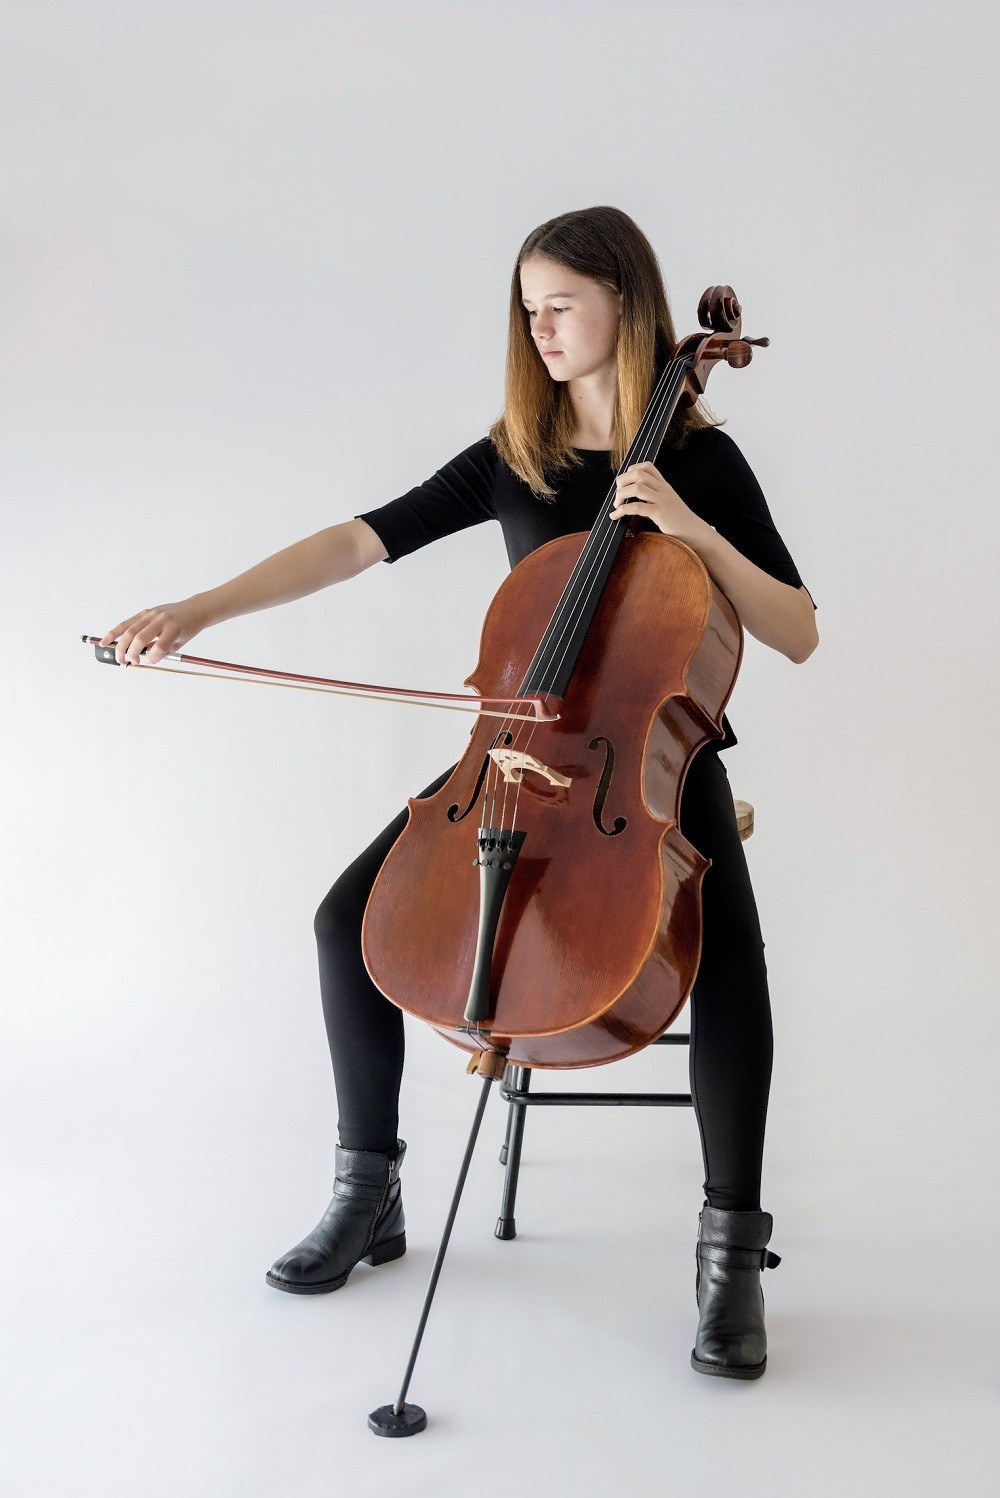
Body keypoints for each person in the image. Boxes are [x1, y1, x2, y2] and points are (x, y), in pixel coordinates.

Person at [101, 205, 818, 1381]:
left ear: (626, 307)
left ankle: (729, 1256)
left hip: (654, 760)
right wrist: (199, 609)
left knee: (730, 968)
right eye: (525, 307)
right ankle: (366, 1193)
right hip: (520, 749)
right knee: (348, 919)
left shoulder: (700, 461)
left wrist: (689, 527)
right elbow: (358, 539)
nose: (538, 328)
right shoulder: (515, 457)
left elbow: (795, 629)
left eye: (561, 305)